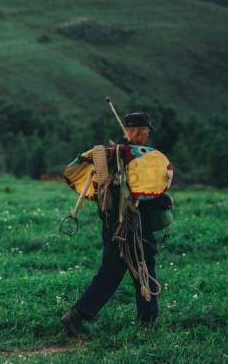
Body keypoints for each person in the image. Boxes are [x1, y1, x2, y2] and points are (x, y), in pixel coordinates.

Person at [60, 111, 171, 336]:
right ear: (140, 131)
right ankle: (146, 323)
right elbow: (145, 192)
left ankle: (78, 315)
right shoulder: (137, 158)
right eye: (146, 132)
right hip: (134, 226)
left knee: (114, 273)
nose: (147, 136)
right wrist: (163, 198)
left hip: (111, 225)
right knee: (143, 269)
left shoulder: (108, 156)